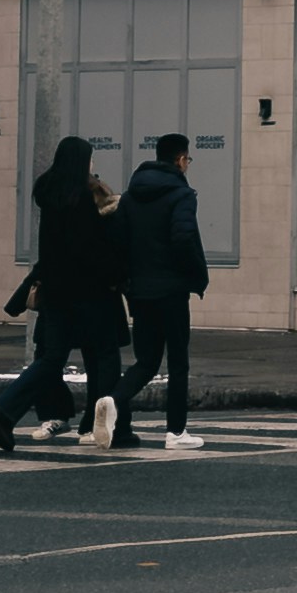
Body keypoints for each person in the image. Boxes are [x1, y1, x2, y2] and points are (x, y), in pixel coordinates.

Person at [0, 133, 126, 454]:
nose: (93, 165)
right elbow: (95, 251)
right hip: (91, 293)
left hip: (58, 295)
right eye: (90, 158)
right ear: (80, 162)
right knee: (102, 356)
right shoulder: (86, 201)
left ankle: (4, 410)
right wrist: (117, 275)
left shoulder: (52, 197)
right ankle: (95, 424)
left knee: (51, 359)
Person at [106, 129, 210, 454]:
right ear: (181, 159)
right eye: (188, 159)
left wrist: (128, 284)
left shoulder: (130, 196)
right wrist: (193, 276)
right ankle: (176, 432)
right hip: (172, 292)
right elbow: (184, 240)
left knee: (146, 361)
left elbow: (117, 244)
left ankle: (112, 399)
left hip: (140, 293)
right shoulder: (181, 195)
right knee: (178, 362)